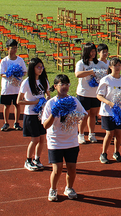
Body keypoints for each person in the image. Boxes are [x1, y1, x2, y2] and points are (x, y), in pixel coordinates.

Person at [42, 74, 87, 202]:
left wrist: (74, 116)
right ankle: (53, 189)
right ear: (55, 86)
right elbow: (45, 125)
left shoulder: (73, 101)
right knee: (57, 169)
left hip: (71, 141)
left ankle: (69, 188)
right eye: (62, 84)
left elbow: (84, 115)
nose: (65, 87)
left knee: (72, 168)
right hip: (55, 141)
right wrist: (54, 113)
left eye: (67, 84)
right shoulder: (51, 103)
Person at [17, 57, 50, 171]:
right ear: (32, 68)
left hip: (41, 114)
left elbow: (48, 94)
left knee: (42, 139)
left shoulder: (44, 80)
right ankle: (28, 160)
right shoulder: (26, 82)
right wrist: (34, 102)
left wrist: (46, 100)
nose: (40, 69)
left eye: (42, 67)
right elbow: (19, 101)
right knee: (35, 139)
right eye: (38, 67)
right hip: (30, 114)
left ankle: (37, 159)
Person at [97, 57, 121, 163]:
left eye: (119, 65)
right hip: (108, 111)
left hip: (120, 111)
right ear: (110, 67)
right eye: (115, 65)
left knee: (119, 133)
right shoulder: (106, 80)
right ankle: (104, 153)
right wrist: (110, 103)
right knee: (109, 133)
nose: (117, 67)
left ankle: (117, 152)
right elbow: (99, 96)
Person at [75, 42, 103, 144]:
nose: (93, 53)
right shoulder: (81, 63)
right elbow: (77, 74)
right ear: (86, 52)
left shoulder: (99, 63)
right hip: (83, 94)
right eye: (91, 51)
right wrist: (91, 72)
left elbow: (108, 69)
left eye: (94, 51)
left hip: (95, 94)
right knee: (84, 115)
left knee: (93, 115)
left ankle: (92, 134)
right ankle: (81, 135)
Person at [0, 39, 27, 131]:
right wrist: (8, 74)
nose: (14, 50)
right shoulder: (4, 61)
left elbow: (24, 71)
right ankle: (6, 123)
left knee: (17, 104)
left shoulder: (20, 60)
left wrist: (19, 73)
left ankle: (16, 122)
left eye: (15, 48)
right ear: (7, 49)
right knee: (7, 105)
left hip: (17, 87)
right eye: (12, 48)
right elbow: (1, 73)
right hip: (7, 87)